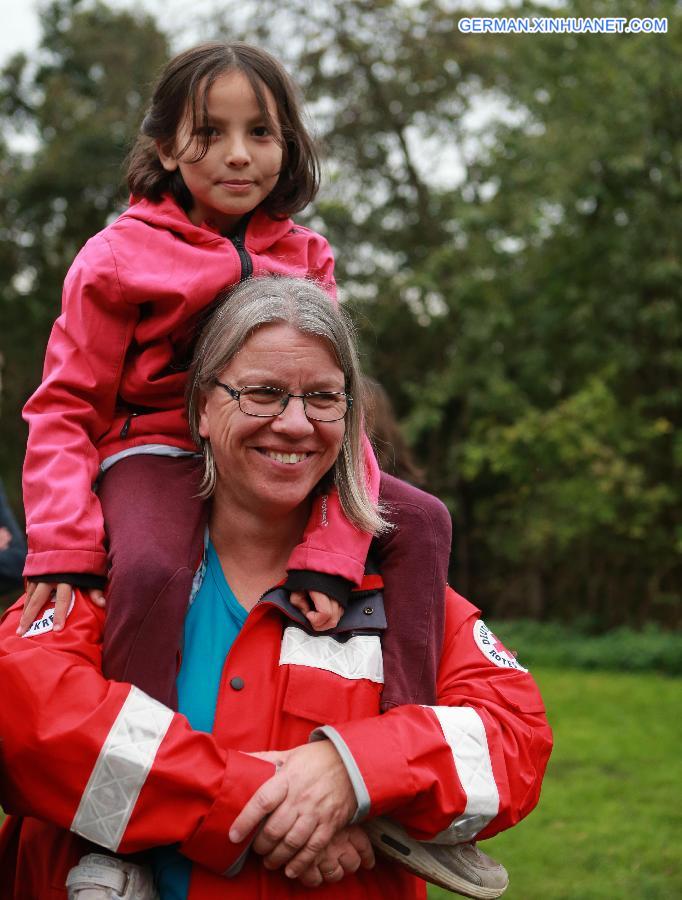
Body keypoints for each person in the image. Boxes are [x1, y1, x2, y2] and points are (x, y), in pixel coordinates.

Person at [0, 277, 552, 899]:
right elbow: (23, 719)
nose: (295, 424)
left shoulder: (397, 585)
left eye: (324, 398)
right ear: (202, 408)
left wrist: (352, 771)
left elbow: (515, 739)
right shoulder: (113, 565)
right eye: (262, 393)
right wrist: (256, 799)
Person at [17, 41, 450, 721]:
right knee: (153, 567)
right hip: (158, 450)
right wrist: (63, 543)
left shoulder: (306, 256)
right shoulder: (115, 259)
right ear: (165, 147)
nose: (239, 154)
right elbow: (65, 407)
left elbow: (338, 405)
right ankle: (141, 762)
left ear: (289, 145)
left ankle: (403, 734)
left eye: (260, 132)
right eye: (210, 133)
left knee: (424, 520)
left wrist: (331, 553)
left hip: (279, 444)